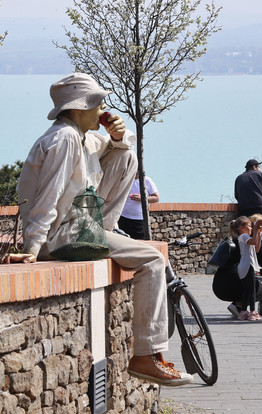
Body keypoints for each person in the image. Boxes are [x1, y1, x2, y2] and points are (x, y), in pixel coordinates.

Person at [6, 73, 191, 385]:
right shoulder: (64, 138)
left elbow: (122, 152)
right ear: (80, 108)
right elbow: (46, 197)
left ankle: (106, 230)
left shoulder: (82, 136)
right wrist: (31, 249)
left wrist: (118, 136)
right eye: (98, 104)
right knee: (152, 260)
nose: (104, 109)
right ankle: (146, 355)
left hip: (80, 228)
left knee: (125, 154)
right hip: (61, 235)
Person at [230, 215, 262, 321]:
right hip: (247, 265)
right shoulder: (243, 236)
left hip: (246, 265)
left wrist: (259, 234)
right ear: (242, 228)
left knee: (247, 290)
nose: (251, 228)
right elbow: (253, 242)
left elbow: (256, 248)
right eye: (249, 226)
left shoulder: (245, 237)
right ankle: (252, 312)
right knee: (251, 290)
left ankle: (243, 311)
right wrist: (256, 230)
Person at [117, 173, 159, 240]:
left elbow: (156, 198)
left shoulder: (147, 181)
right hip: (123, 217)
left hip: (139, 219)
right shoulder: (125, 179)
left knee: (140, 243)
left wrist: (142, 198)